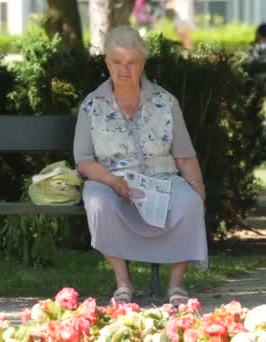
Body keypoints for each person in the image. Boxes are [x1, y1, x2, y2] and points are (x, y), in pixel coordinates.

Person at [73, 26, 208, 307]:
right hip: (111, 180)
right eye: (117, 62)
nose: (124, 70)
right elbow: (84, 159)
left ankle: (176, 285)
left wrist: (199, 189)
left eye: (132, 62)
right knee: (97, 202)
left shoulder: (165, 101)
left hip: (162, 177)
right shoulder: (91, 104)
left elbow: (184, 156)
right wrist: (112, 181)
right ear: (106, 63)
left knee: (190, 203)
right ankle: (123, 283)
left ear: (143, 63)